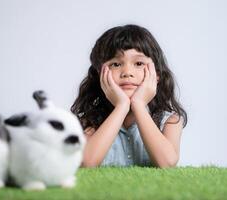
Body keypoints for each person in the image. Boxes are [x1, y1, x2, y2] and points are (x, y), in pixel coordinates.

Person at [71, 24, 187, 168]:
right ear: (99, 74)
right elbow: (87, 162)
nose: (127, 72)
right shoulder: (90, 121)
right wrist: (122, 106)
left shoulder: (169, 120)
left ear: (156, 75)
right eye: (115, 64)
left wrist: (138, 105)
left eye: (138, 63)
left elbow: (167, 163)